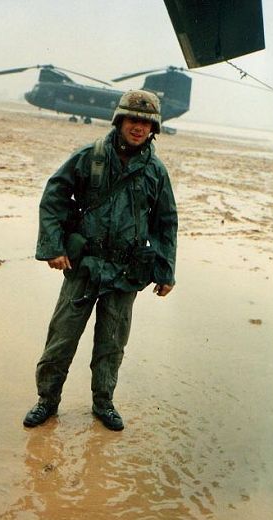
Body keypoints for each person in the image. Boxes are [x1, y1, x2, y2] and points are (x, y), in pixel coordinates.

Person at [23, 89, 177, 431]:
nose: (138, 127)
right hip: (85, 267)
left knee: (112, 344)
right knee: (61, 339)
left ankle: (103, 403)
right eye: (133, 119)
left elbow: (166, 222)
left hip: (127, 271)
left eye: (146, 122)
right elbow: (54, 198)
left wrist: (166, 270)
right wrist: (53, 247)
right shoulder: (89, 157)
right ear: (120, 120)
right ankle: (47, 401)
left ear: (154, 129)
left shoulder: (155, 171)